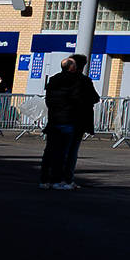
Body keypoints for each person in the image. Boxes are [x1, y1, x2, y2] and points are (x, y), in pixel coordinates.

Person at [41, 53, 98, 189]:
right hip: (73, 120)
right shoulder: (82, 81)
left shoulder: (54, 80)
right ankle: (64, 180)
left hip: (54, 119)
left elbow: (49, 100)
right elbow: (93, 98)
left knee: (51, 150)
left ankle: (45, 179)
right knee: (69, 152)